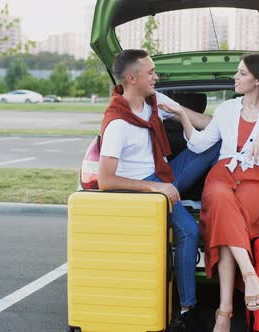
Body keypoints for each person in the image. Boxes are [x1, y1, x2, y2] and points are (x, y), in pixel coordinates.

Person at [163, 53, 259, 332]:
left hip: (255, 181)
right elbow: (200, 144)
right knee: (219, 199)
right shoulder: (227, 108)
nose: (235, 78)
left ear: (257, 79)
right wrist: (182, 115)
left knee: (224, 223)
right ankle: (250, 274)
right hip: (221, 176)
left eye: (241, 73)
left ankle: (225, 312)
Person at [98, 49, 219, 331]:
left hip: (165, 175)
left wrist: (244, 125)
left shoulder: (155, 101)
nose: (157, 76)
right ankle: (187, 309)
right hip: (145, 189)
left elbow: (203, 122)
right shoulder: (117, 124)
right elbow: (105, 180)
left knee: (214, 142)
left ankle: (216, 196)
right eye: (151, 72)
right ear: (131, 78)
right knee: (189, 231)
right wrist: (156, 187)